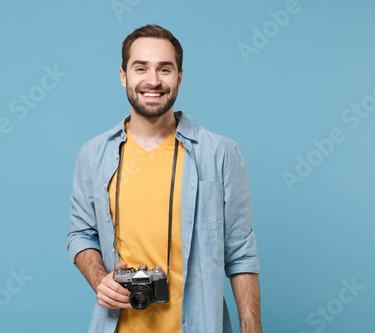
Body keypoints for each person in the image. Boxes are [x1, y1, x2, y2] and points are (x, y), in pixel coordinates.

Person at [68, 24, 261, 333]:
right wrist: (100, 279)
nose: (153, 81)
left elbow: (241, 256)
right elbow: (81, 235)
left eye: (165, 69)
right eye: (141, 68)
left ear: (180, 77)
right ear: (123, 76)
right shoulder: (92, 156)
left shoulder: (221, 154)